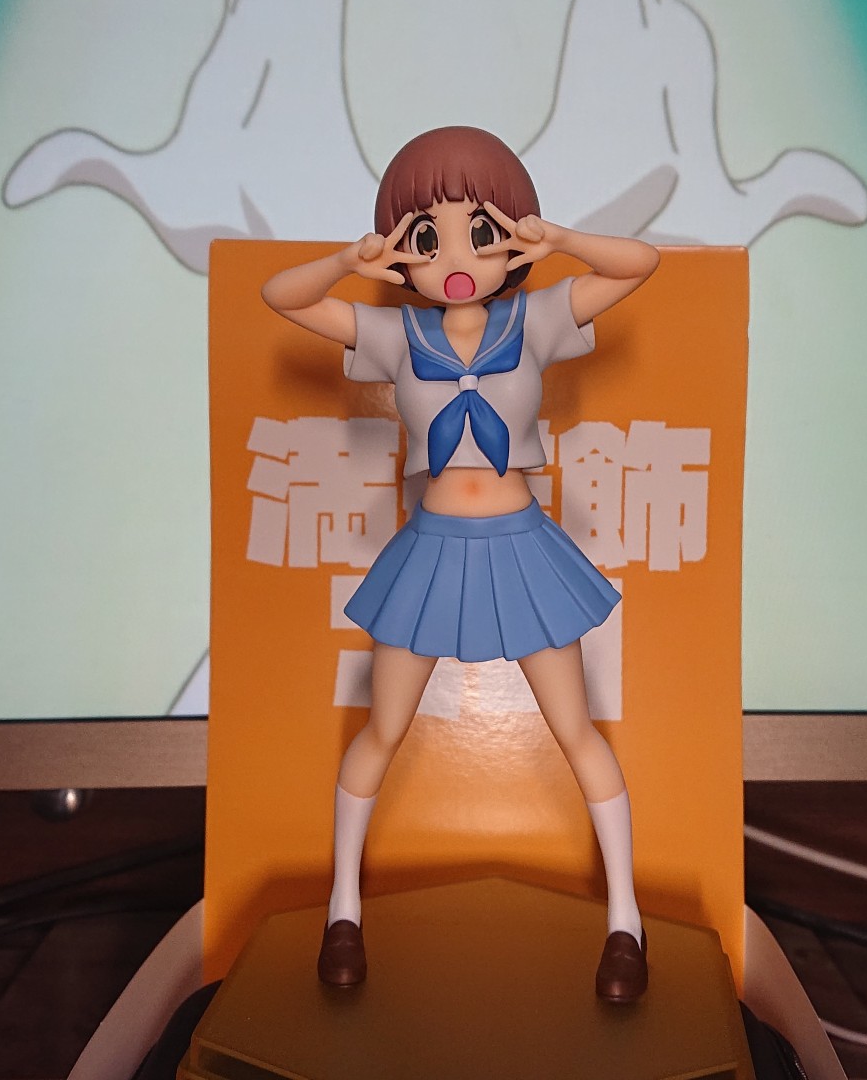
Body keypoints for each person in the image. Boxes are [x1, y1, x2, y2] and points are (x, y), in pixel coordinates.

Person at [260, 125, 661, 1002]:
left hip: (522, 546)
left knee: (576, 732)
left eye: (479, 231)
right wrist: (349, 260)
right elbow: (279, 295)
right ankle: (342, 910)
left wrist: (558, 240)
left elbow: (640, 264)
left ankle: (625, 922)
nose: (454, 257)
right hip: (431, 552)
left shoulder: (537, 319)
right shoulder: (394, 333)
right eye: (426, 234)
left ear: (510, 234)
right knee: (381, 731)